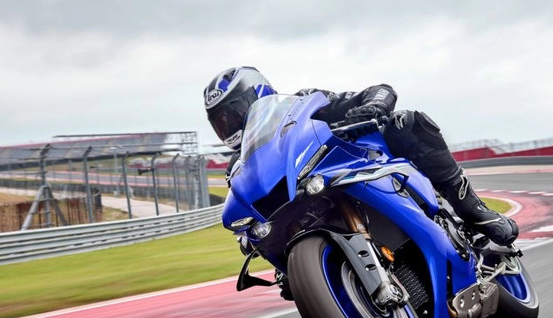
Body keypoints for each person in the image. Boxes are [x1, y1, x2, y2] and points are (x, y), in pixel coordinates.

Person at [204, 66, 518, 247]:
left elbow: (376, 91)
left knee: (406, 122)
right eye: (221, 123)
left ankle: (475, 211)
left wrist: (373, 107)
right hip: (302, 207)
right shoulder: (239, 168)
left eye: (234, 114)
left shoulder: (301, 106)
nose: (229, 126)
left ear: (258, 95)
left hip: (353, 167)